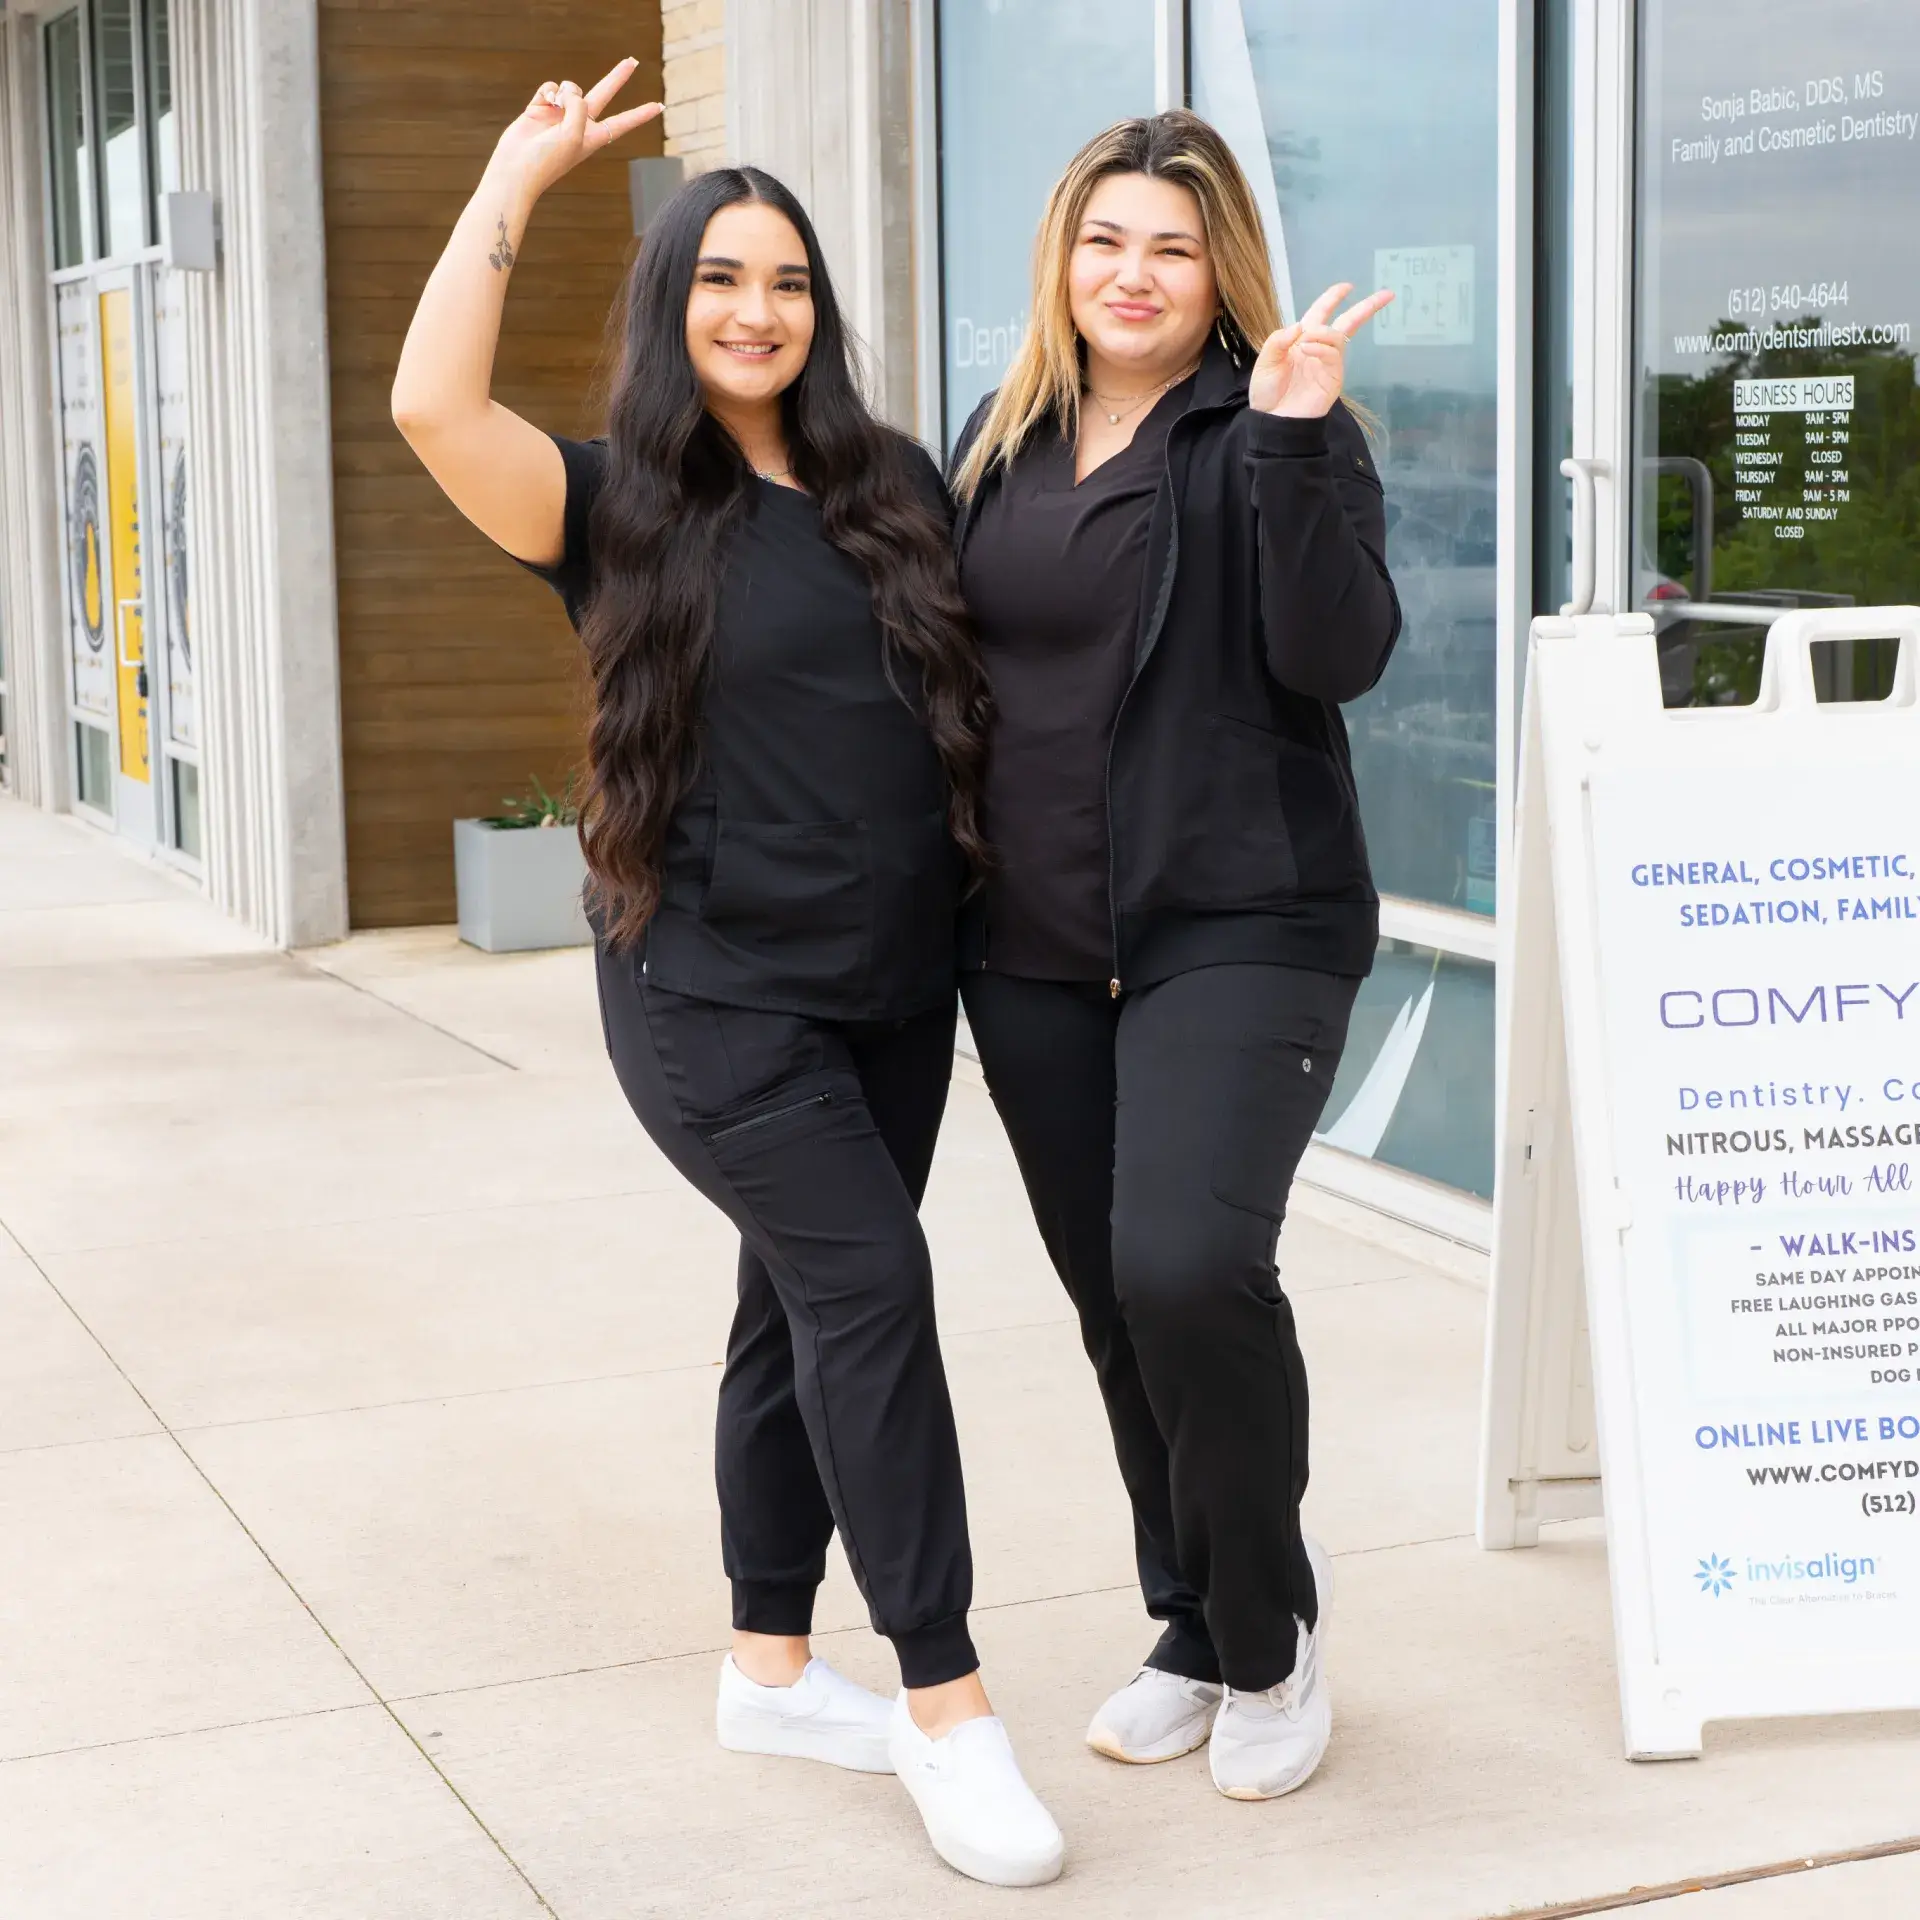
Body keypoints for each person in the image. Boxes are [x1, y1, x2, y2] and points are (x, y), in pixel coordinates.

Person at [391, 61, 1062, 1887]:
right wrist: (513, 181)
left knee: (798, 1309)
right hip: (707, 995)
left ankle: (773, 1668)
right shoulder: (608, 503)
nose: (756, 312)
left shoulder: (889, 485)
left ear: (819, 311)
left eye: (786, 283)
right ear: (669, 305)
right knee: (874, 1290)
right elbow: (429, 399)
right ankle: (948, 1706)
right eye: (718, 282)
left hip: (891, 990)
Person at [948, 109, 1401, 1803]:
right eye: (1104, 241)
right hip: (1039, 946)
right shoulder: (999, 445)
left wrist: (1290, 442)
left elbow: (1335, 652)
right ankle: (1195, 1619)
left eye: (1171, 247)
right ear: (1063, 260)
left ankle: (1272, 1634)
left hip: (1246, 924)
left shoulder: (1280, 429)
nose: (1131, 275)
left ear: (1221, 278)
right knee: (1115, 1307)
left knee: (1188, 1271)